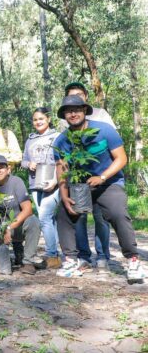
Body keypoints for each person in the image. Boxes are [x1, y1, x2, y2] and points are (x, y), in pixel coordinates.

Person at [53, 95, 144, 283]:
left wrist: (102, 177)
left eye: (77, 109)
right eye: (69, 111)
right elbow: (61, 168)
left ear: (85, 110)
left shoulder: (104, 130)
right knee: (63, 212)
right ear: (64, 115)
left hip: (108, 183)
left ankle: (133, 261)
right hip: (80, 186)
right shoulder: (61, 141)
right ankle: (71, 260)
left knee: (118, 212)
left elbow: (121, 158)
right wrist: (64, 195)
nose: (73, 113)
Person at [63, 82, 112, 271]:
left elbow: (109, 139)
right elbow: (63, 150)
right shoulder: (66, 119)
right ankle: (83, 255)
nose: (75, 97)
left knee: (101, 217)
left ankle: (102, 256)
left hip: (100, 175)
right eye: (71, 95)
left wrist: (105, 174)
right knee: (78, 216)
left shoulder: (101, 115)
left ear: (86, 97)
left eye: (79, 94)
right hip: (77, 176)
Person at [21, 107, 61, 269]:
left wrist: (56, 181)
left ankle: (51, 254)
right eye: (35, 119)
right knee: (48, 219)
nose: (38, 122)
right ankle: (56, 255)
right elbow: (23, 161)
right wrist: (28, 164)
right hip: (34, 183)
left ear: (48, 119)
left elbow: (64, 161)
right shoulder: (30, 140)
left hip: (53, 182)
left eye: (41, 119)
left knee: (44, 217)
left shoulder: (58, 137)